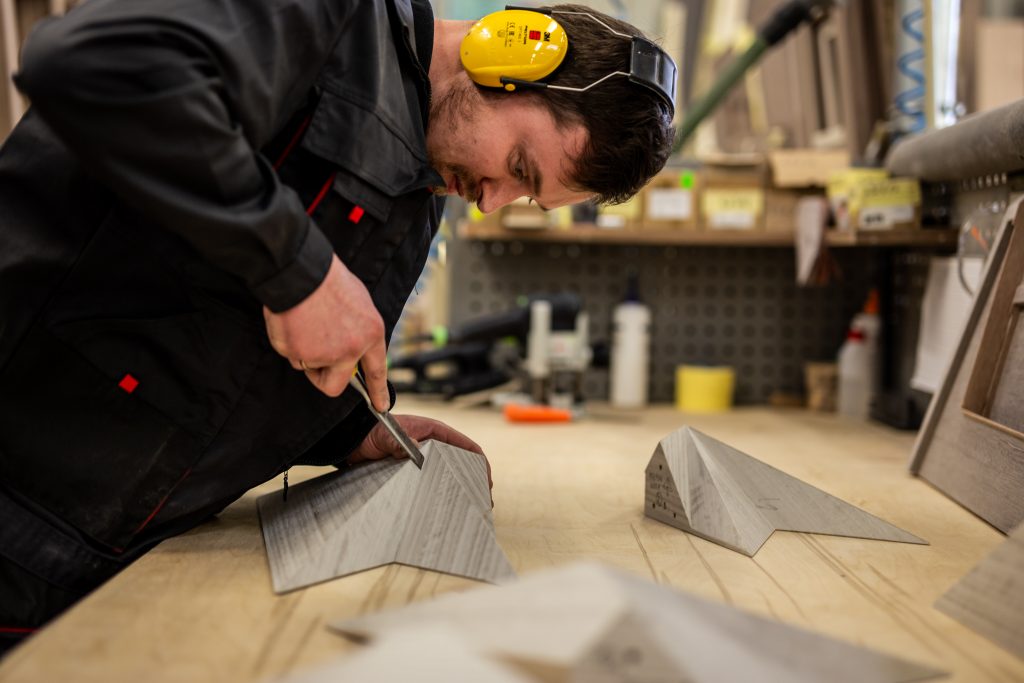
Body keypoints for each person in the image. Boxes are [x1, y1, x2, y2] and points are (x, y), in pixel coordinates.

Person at [0, 0, 674, 654]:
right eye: (521, 167)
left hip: (87, 572)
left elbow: (223, 343)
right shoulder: (328, 18)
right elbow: (93, 64)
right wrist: (296, 267)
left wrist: (350, 434)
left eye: (528, 197)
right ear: (509, 49)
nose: (493, 201)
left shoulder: (420, 203)